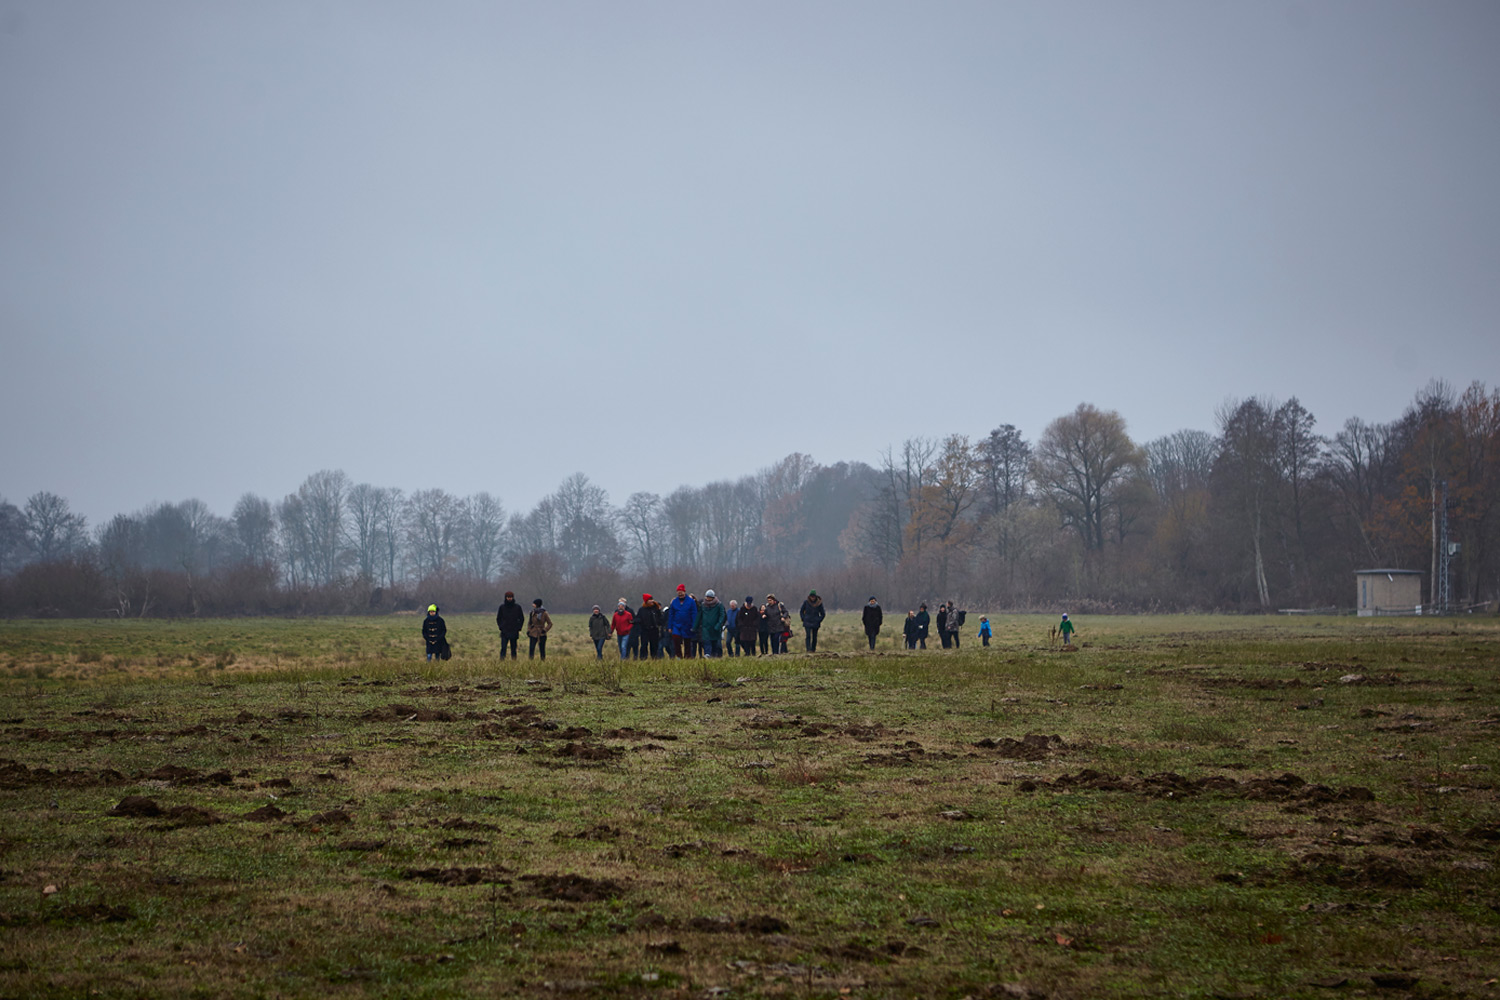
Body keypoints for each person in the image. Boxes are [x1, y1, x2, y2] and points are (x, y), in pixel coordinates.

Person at [667, 584, 698, 660]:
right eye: (678, 592)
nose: (680, 593)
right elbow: (671, 615)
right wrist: (670, 626)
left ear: (684, 592)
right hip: (676, 625)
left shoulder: (691, 602)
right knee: (676, 639)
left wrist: (694, 625)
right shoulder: (674, 602)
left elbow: (694, 614)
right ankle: (678, 656)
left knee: (687, 641)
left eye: (681, 591)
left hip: (688, 625)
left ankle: (688, 656)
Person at [695, 589, 727, 658]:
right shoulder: (703, 605)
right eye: (707, 597)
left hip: (715, 628)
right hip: (706, 628)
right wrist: (694, 627)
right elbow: (699, 616)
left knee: (715, 643)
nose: (708, 599)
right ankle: (707, 654)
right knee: (707, 642)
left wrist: (719, 625)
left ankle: (714, 655)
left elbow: (722, 616)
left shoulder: (719, 605)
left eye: (709, 597)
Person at [495, 591, 525, 660]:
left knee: (513, 649)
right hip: (504, 631)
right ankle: (502, 661)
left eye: (510, 597)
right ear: (506, 598)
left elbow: (521, 618)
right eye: (508, 597)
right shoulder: (502, 607)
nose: (509, 599)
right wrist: (501, 627)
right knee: (503, 648)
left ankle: (514, 661)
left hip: (514, 631)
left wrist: (519, 628)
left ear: (513, 598)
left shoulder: (517, 607)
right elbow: (498, 618)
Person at [635, 593, 664, 659]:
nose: (651, 601)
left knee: (654, 646)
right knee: (644, 645)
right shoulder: (641, 610)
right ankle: (643, 658)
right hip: (645, 630)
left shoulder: (655, 608)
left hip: (654, 630)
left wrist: (659, 622)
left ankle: (654, 658)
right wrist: (636, 621)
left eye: (652, 599)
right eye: (649, 599)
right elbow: (638, 618)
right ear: (646, 601)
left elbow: (660, 618)